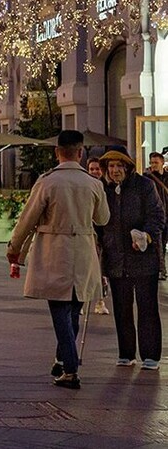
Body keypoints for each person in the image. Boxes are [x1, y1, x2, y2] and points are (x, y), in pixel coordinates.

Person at [7, 130, 110, 390]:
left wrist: (14, 248)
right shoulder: (93, 183)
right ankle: (63, 360)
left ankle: (71, 369)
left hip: (55, 252)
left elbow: (27, 219)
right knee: (74, 311)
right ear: (81, 152)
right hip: (83, 251)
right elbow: (103, 218)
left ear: (57, 152)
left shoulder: (47, 182)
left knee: (60, 312)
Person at [99, 148, 165, 371]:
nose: (115, 170)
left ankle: (151, 355)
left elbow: (157, 216)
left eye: (119, 165)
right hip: (116, 257)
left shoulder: (144, 186)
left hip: (143, 257)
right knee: (121, 307)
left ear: (127, 166)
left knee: (147, 307)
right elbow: (98, 222)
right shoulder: (104, 189)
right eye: (111, 166)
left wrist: (146, 235)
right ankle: (126, 353)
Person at [86, 157, 110, 316]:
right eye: (92, 169)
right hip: (89, 234)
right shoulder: (85, 186)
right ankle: (83, 302)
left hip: (104, 234)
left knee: (101, 270)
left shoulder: (106, 188)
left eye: (97, 169)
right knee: (87, 270)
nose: (95, 172)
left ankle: (100, 301)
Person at [144, 151, 168, 281]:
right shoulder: (147, 179)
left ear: (162, 163)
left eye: (156, 162)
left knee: (163, 243)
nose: (153, 165)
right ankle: (161, 270)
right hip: (156, 216)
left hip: (167, 215)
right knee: (158, 243)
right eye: (152, 162)